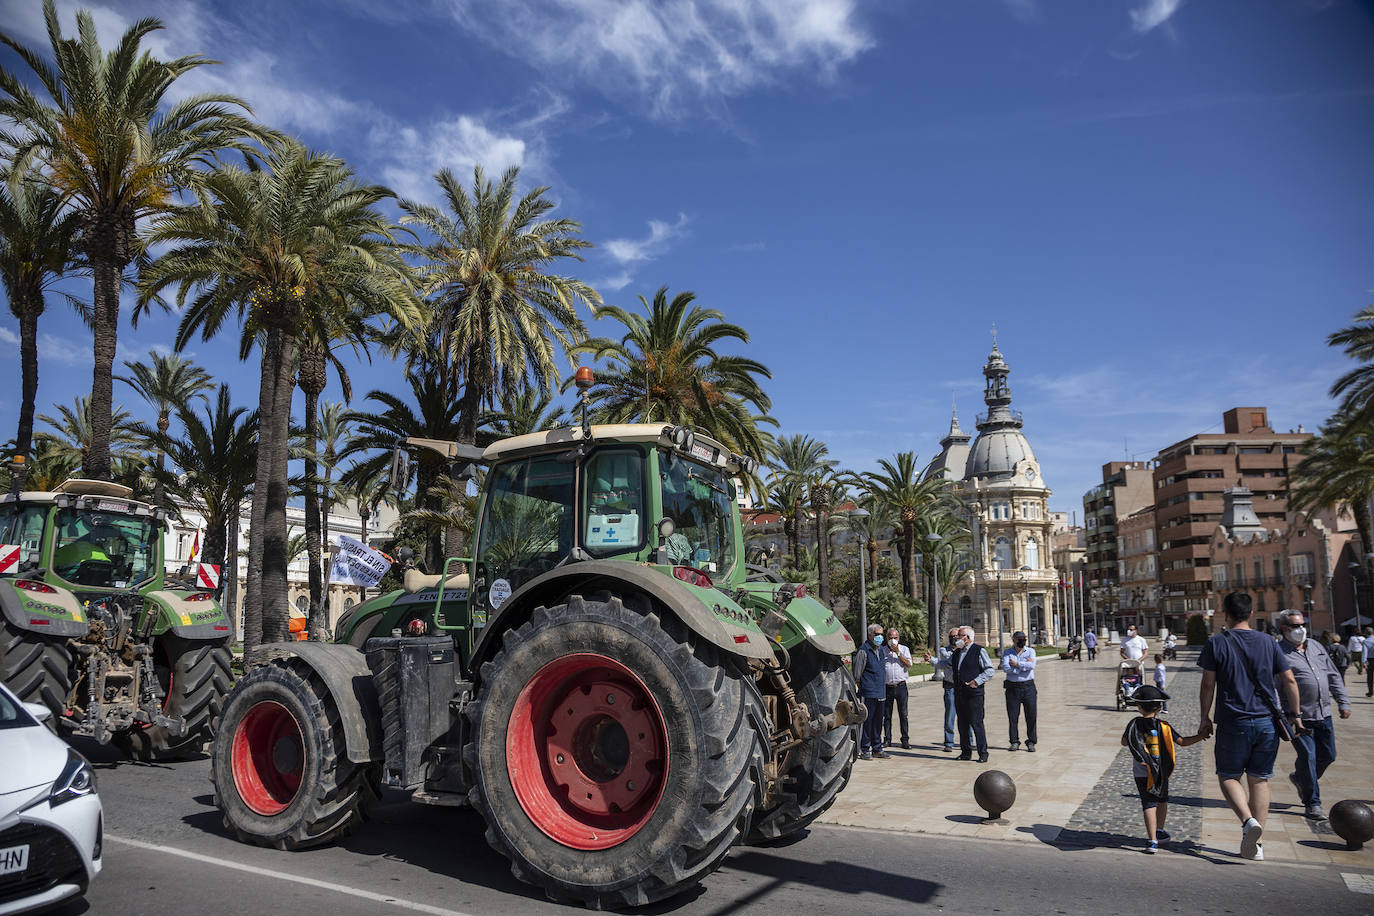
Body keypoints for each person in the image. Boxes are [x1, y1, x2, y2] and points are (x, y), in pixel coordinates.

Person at [1198, 592, 1302, 861]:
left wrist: (1204, 717)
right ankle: (1258, 846)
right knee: (1259, 778)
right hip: (1267, 722)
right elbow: (1290, 680)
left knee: (1229, 775)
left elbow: (1208, 684)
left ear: (1225, 613)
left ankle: (1248, 822)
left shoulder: (1216, 643)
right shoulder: (1269, 642)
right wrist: (1296, 714)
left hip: (1233, 721)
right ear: (1251, 614)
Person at [1276, 609, 1351, 820]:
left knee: (1329, 755)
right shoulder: (1278, 653)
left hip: (1323, 713)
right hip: (1298, 717)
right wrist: (1283, 715)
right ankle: (1313, 803)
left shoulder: (1316, 646)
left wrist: (1343, 702)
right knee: (1308, 756)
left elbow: (1333, 675)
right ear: (1284, 628)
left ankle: (1300, 778)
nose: (1301, 629)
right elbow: (1274, 687)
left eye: (1303, 625)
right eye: (1296, 626)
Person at [1121, 685, 1206, 853]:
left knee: (1148, 804)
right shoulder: (1164, 726)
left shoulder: (1134, 724)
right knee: (1162, 800)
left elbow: (1124, 742)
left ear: (1139, 706)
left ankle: (1152, 841)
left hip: (1141, 772)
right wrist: (1201, 736)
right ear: (1160, 707)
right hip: (1160, 772)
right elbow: (1182, 742)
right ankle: (1159, 830)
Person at [951, 625, 995, 762]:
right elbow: (947, 664)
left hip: (974, 694)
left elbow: (990, 670)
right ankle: (966, 752)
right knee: (962, 724)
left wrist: (977, 681)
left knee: (977, 723)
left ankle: (983, 753)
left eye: (959, 636)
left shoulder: (979, 650)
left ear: (967, 637)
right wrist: (932, 661)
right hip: (960, 693)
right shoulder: (957, 652)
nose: (957, 638)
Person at [852, 624, 889, 760]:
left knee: (878, 722)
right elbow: (857, 673)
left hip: (881, 692)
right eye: (877, 634)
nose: (880, 637)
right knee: (867, 721)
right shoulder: (864, 650)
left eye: (881, 634)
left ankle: (877, 748)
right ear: (870, 634)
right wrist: (861, 686)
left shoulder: (881, 650)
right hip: (868, 692)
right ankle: (865, 749)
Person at [924, 628, 962, 752]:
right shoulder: (944, 651)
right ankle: (949, 742)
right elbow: (945, 664)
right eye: (951, 636)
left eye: (956, 636)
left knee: (966, 715)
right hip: (950, 685)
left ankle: (969, 741)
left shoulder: (965, 650)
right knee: (950, 715)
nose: (954, 638)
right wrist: (931, 659)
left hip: (963, 686)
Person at [1001, 630, 1038, 752]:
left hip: (1028, 687)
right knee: (1013, 716)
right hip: (1013, 688)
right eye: (1019, 639)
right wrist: (1023, 666)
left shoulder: (1030, 651)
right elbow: (1006, 668)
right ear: (1014, 640)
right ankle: (1014, 741)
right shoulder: (1007, 652)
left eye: (1024, 639)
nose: (1022, 641)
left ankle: (1031, 741)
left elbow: (1032, 666)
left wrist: (1016, 664)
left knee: (1031, 715)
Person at [883, 627, 913, 750]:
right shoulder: (882, 650)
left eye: (895, 638)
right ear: (887, 638)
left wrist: (898, 653)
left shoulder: (904, 649)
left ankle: (905, 739)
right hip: (887, 687)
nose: (893, 640)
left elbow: (909, 664)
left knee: (903, 714)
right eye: (890, 638)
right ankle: (887, 739)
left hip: (901, 686)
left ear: (899, 638)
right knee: (887, 715)